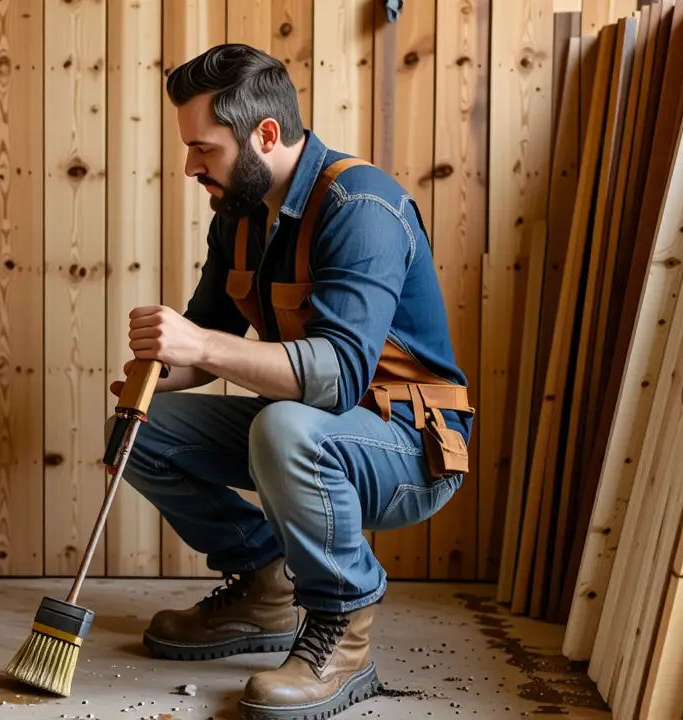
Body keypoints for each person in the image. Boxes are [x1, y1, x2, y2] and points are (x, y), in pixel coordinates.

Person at [107, 43, 474, 720]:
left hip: (411, 445)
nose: (189, 166)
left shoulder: (363, 206)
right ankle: (265, 586)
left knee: (286, 426)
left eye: (204, 149)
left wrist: (202, 346)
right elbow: (210, 333)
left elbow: (337, 376)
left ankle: (344, 630)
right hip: (310, 429)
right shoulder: (241, 216)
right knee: (138, 433)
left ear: (265, 135)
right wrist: (158, 371)